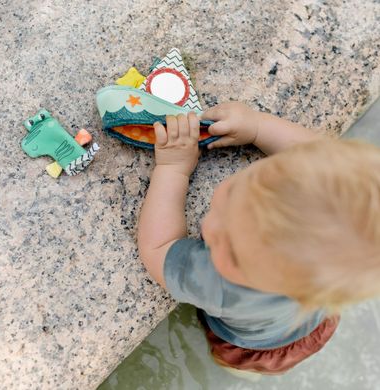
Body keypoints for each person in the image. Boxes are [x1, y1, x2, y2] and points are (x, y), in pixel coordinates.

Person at [137, 102, 380, 375]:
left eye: (230, 251)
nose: (209, 227)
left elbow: (157, 246)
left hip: (252, 344)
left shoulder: (223, 287)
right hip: (312, 322)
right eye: (231, 198)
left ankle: (241, 373)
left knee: (236, 365)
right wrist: (256, 127)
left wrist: (173, 169)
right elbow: (317, 154)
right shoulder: (326, 272)